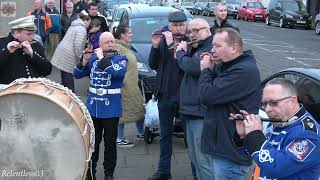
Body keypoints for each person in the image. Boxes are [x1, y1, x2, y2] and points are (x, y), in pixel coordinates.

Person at [198, 27, 261, 180]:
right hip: (223, 147)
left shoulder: (243, 71)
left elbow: (207, 95)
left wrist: (205, 70)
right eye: (212, 45)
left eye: (217, 46)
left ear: (234, 47)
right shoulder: (231, 66)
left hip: (231, 153)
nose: (212, 50)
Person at [232, 78, 320, 179]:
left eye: (273, 103)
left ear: (292, 101)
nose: (267, 109)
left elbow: (275, 168)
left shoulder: (309, 135)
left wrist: (255, 135)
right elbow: (261, 157)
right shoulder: (280, 121)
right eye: (264, 104)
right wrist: (244, 137)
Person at [73, 32, 128, 180]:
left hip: (111, 109)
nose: (111, 44)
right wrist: (84, 61)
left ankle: (109, 173)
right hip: (93, 107)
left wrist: (101, 58)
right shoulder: (93, 59)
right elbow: (76, 74)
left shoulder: (121, 59)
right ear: (100, 45)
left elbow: (117, 74)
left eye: (112, 41)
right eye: (107, 42)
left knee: (110, 144)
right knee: (92, 144)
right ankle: (91, 171)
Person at [148, 11, 187, 180]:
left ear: (185, 25)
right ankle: (164, 170)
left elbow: (184, 67)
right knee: (165, 135)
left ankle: (197, 171)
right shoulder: (162, 40)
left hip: (186, 96)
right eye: (174, 25)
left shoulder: (190, 42)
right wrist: (155, 46)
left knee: (191, 138)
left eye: (181, 25)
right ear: (169, 26)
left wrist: (173, 46)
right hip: (165, 95)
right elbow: (153, 64)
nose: (178, 29)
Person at [175, 18, 214, 180]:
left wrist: (180, 53)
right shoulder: (195, 48)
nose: (191, 35)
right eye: (189, 32)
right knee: (195, 160)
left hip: (201, 114)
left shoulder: (211, 48)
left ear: (207, 30)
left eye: (196, 31)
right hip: (190, 112)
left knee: (204, 161)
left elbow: (192, 67)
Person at [113, 25, 145, 148]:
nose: (131, 34)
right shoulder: (119, 49)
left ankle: (141, 133)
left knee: (139, 110)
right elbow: (117, 69)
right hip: (124, 88)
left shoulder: (125, 47)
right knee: (123, 114)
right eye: (129, 33)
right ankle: (119, 138)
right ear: (122, 35)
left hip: (132, 86)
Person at [0, 15, 52, 85]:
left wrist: (32, 54)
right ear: (16, 33)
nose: (32, 37)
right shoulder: (2, 43)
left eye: (33, 34)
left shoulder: (35, 45)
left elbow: (47, 71)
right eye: (29, 34)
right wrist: (7, 52)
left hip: (34, 90)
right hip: (9, 91)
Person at [51, 12, 91, 92]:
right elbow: (78, 45)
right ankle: (71, 97)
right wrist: (80, 57)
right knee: (68, 78)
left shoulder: (74, 25)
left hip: (62, 52)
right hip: (68, 55)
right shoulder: (82, 29)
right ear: (85, 21)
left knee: (64, 77)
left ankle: (64, 95)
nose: (89, 25)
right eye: (89, 23)